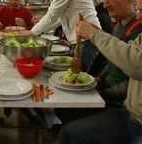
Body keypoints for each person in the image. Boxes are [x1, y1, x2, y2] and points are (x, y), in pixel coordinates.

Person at [59, 16, 142, 144]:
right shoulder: (128, 29)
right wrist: (100, 80)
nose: (139, 16)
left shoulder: (136, 27)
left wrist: (94, 34)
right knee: (68, 131)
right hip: (129, 113)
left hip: (134, 120)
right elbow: (120, 58)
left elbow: (136, 65)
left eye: (141, 10)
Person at [20, 0, 101, 72]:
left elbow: (53, 15)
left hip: (86, 38)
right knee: (74, 74)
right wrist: (42, 22)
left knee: (76, 76)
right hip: (85, 37)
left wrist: (32, 32)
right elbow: (59, 16)